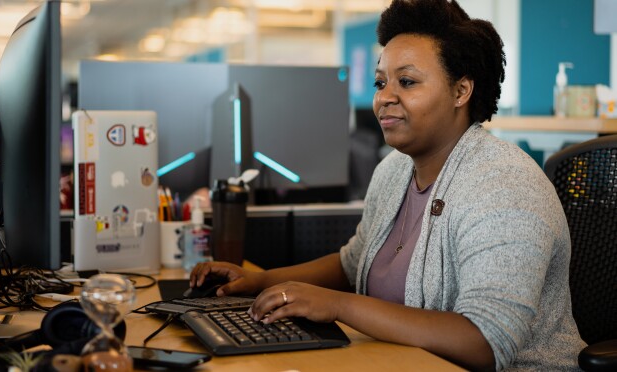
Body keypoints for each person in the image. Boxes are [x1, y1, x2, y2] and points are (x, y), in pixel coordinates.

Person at [189, 0, 586, 370]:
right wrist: (255, 281)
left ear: (461, 91)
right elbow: (352, 263)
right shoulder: (394, 170)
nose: (385, 99)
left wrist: (339, 306)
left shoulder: (503, 184)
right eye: (381, 83)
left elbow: (485, 341)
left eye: (408, 82)